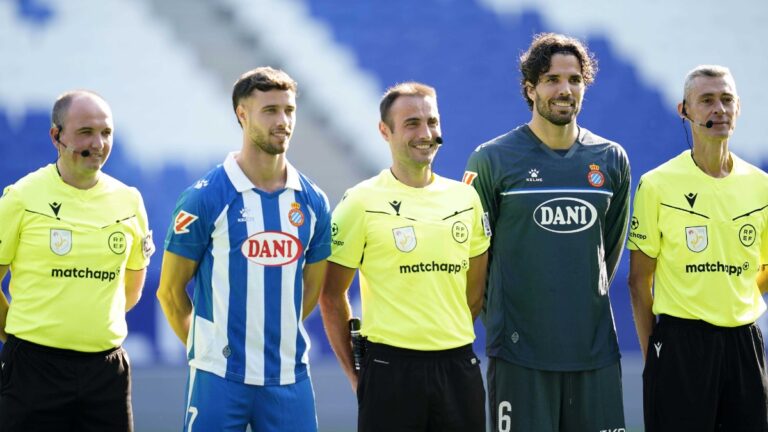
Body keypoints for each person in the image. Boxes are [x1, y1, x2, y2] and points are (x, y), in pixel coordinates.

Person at [464, 33, 630, 431]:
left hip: (594, 352)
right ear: (530, 88)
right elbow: (472, 257)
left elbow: (606, 253)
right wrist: (505, 323)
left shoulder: (611, 160)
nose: (565, 89)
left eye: (574, 80)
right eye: (552, 79)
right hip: (520, 355)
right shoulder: (491, 160)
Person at [156, 66, 331, 432]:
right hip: (218, 378)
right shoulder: (205, 197)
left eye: (289, 110)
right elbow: (170, 292)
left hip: (288, 377)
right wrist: (207, 350)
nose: (282, 121)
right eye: (270, 110)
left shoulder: (313, 201)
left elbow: (311, 290)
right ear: (242, 114)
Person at [320, 82, 490, 432]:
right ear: (385, 131)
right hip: (389, 370)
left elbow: (475, 294)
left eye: (432, 121)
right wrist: (358, 376)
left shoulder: (467, 199)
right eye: (412, 123)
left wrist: (440, 331)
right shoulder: (360, 201)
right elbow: (330, 294)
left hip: (459, 367)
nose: (425, 133)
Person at [0, 90, 153, 431]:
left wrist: (88, 324)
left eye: (106, 132)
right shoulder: (22, 197)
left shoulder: (130, 201)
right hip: (33, 369)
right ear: (56, 136)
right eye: (86, 132)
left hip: (105, 372)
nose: (98, 143)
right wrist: (15, 335)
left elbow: (132, 290)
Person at [627, 65, 768, 431]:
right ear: (684, 111)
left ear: (738, 109)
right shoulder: (656, 184)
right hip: (680, 345)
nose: (718, 109)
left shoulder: (761, 185)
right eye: (706, 100)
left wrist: (731, 293)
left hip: (744, 343)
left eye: (726, 100)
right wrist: (654, 357)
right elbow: (639, 282)